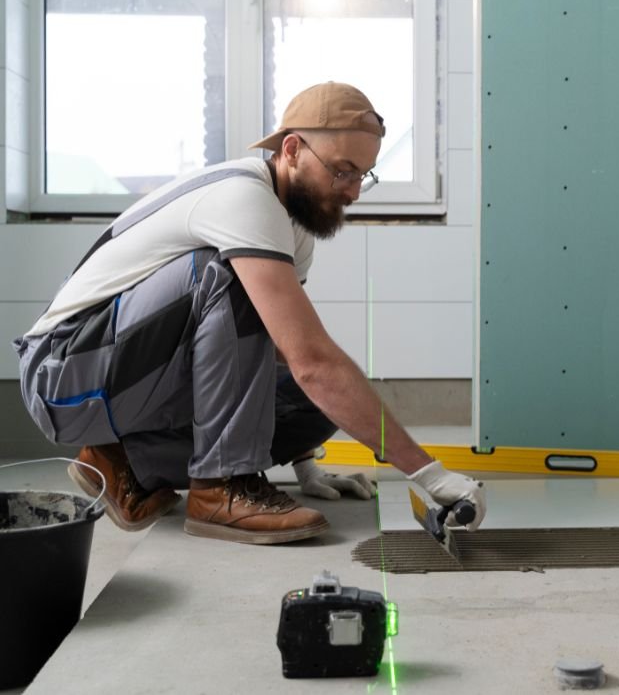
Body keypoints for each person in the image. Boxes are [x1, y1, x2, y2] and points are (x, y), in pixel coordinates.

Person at [13, 81, 486, 545]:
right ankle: (222, 487)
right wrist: (429, 474)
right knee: (234, 283)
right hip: (62, 374)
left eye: (363, 175)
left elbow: (278, 350)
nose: (354, 192)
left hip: (128, 378)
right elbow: (312, 359)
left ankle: (124, 461)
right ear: (294, 149)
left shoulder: (292, 228)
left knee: (313, 404)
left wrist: (306, 463)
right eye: (343, 172)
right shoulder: (243, 197)